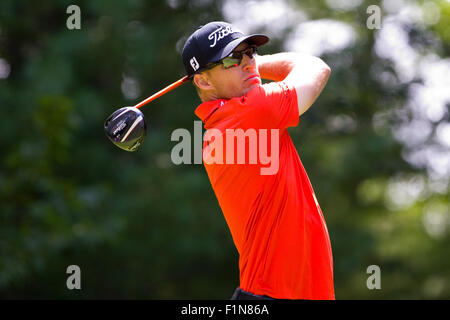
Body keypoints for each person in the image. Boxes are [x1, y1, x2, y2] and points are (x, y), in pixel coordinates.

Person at [181, 21, 334, 300]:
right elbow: (316, 68)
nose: (248, 63)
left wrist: (247, 63)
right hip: (271, 295)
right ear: (203, 81)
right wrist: (262, 64)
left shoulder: (228, 121)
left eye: (250, 52)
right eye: (232, 59)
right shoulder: (249, 113)